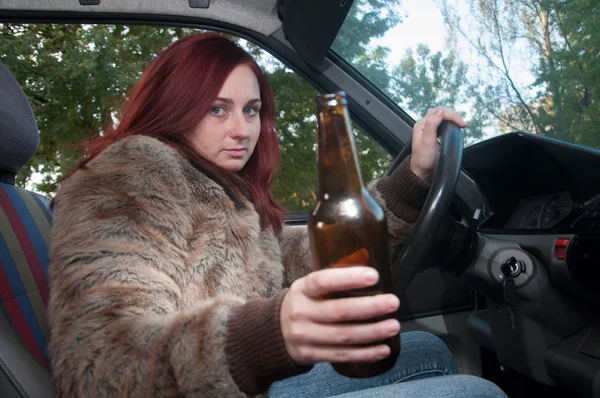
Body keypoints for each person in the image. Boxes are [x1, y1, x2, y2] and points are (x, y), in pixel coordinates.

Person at [47, 32, 507, 397]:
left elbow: (306, 256)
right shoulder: (134, 173)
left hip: (249, 385)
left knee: (426, 349)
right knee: (474, 392)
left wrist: (412, 179)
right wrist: (263, 335)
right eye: (217, 109)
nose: (242, 130)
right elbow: (98, 361)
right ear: (176, 105)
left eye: (251, 110)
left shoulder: (225, 190)